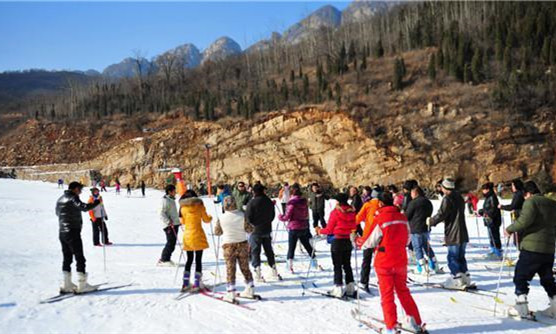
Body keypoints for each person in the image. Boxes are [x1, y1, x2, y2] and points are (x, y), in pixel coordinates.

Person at [356, 192, 427, 334]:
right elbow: (407, 239)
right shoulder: (402, 217)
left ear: (381, 204)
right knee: (403, 292)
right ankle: (415, 321)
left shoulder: (380, 218)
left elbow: (369, 242)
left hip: (384, 261)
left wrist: (359, 241)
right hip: (400, 259)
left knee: (387, 295)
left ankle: (391, 326)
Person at [506, 181, 556, 319]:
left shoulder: (531, 202)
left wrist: (509, 229)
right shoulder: (552, 204)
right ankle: (555, 306)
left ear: (527, 193)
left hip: (532, 248)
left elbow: (524, 221)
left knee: (520, 276)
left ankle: (521, 307)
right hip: (548, 248)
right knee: (547, 278)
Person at [55, 181, 101, 293]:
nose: (80, 192)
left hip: (62, 232)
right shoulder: (72, 197)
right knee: (79, 257)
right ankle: (82, 285)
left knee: (67, 258)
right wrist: (97, 203)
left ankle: (67, 284)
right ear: (75, 189)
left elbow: (58, 213)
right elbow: (84, 207)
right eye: (80, 189)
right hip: (72, 231)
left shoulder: (60, 199)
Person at [428, 179, 471, 289]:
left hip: (453, 233)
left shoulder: (447, 199)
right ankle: (465, 276)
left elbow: (442, 214)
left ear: (445, 188)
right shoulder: (459, 197)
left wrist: (431, 221)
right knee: (461, 256)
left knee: (452, 257)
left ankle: (456, 279)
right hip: (463, 232)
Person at [214, 196, 256, 302]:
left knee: (230, 269)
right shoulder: (242, 215)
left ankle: (231, 292)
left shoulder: (222, 217)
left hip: (229, 246)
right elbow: (250, 229)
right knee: (245, 267)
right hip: (242, 244)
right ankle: (250, 288)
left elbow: (217, 232)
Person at [317, 193, 357, 298]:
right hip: (347, 240)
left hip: (337, 240)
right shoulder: (352, 211)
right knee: (347, 265)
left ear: (338, 201)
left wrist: (320, 231)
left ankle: (338, 288)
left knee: (337, 265)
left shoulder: (335, 212)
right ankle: (350, 288)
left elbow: (329, 229)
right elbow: (354, 226)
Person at [245, 183, 281, 281]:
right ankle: (274, 270)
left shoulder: (251, 203)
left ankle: (257, 273)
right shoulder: (268, 201)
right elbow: (272, 216)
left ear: (254, 192)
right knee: (269, 250)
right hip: (267, 229)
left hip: (255, 230)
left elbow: (247, 217)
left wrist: (253, 225)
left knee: (255, 251)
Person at [179, 190, 212, 292]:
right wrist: (210, 217)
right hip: (198, 235)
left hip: (188, 236)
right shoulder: (200, 206)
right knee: (198, 260)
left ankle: (185, 283)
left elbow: (183, 221)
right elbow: (206, 220)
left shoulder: (183, 208)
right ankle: (197, 283)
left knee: (189, 260)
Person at [279, 183, 317, 272]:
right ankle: (314, 262)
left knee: (291, 247)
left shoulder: (291, 203)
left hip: (294, 227)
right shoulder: (304, 201)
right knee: (307, 245)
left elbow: (287, 217)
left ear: (292, 193)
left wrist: (281, 217)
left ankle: (290, 266)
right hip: (303, 226)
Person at [405, 186, 436, 274]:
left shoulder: (413, 203)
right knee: (426, 246)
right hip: (426, 227)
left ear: (415, 193)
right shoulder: (428, 202)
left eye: (411, 193)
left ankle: (422, 267)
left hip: (416, 228)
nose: (410, 195)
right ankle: (434, 263)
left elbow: (407, 215)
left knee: (417, 247)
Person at [355, 188, 380, 293]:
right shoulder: (385, 204)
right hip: (381, 235)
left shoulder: (368, 204)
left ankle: (364, 282)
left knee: (367, 260)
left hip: (369, 235)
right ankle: (382, 280)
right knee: (380, 259)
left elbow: (357, 219)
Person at [158, 184, 181, 266]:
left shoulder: (171, 199)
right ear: (169, 192)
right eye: (174, 191)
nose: (175, 192)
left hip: (175, 224)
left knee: (172, 243)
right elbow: (161, 213)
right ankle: (163, 259)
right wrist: (168, 222)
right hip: (169, 225)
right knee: (170, 243)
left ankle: (167, 258)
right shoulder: (165, 200)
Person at [479, 182, 503, 260]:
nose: (483, 191)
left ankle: (498, 252)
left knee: (495, 236)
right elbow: (487, 208)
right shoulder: (488, 197)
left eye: (484, 190)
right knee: (491, 236)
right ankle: (493, 250)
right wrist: (482, 211)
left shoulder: (492, 197)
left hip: (493, 220)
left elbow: (493, 210)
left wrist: (486, 213)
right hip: (489, 220)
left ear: (487, 190)